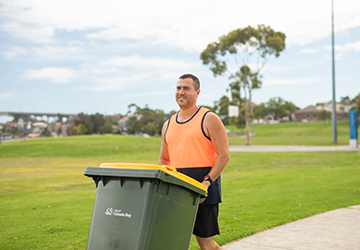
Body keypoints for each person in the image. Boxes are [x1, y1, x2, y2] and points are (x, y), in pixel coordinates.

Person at [158, 73, 230, 250]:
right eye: (178, 88)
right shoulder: (168, 124)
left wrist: (207, 182)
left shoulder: (209, 118)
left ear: (197, 92)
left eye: (186, 88)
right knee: (173, 241)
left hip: (204, 190)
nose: (181, 92)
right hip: (176, 191)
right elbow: (164, 158)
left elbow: (224, 155)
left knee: (206, 244)